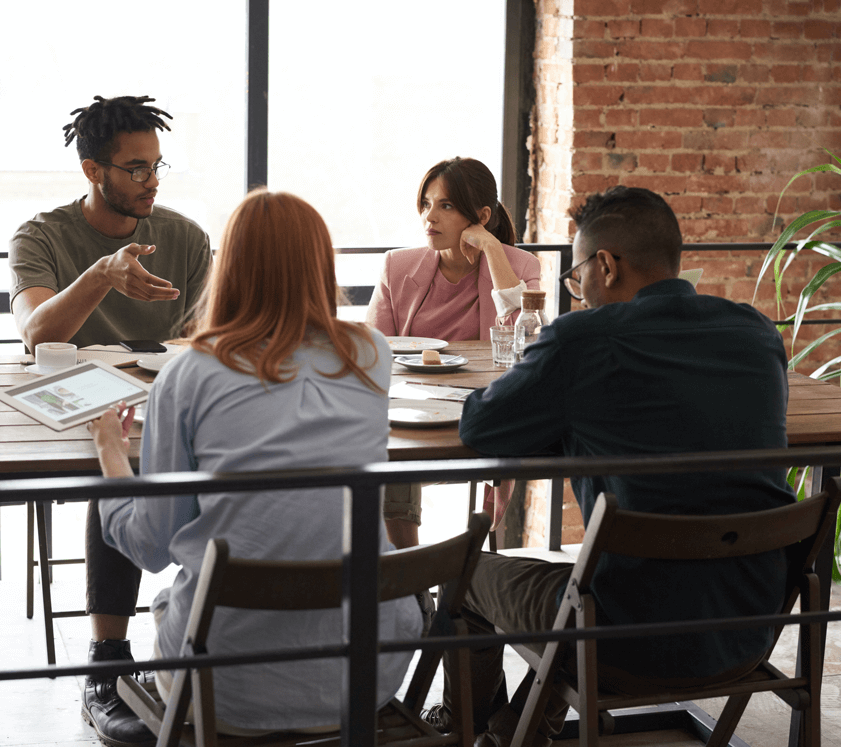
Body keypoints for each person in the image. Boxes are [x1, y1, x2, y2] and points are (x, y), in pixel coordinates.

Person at [423, 186, 798, 747]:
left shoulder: (585, 339)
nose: (578, 291)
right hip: (749, 627)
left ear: (605, 264)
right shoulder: (756, 334)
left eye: (576, 277)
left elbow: (480, 428)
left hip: (625, 635)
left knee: (464, 573)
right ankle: (515, 733)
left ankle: (477, 730)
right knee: (585, 585)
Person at [88, 189, 421, 739]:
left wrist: (109, 453)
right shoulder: (370, 354)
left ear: (230, 266)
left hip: (224, 679)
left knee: (170, 594)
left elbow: (149, 547)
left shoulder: (191, 371)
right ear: (322, 262)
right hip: (365, 667)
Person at [8, 95, 212, 746]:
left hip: (170, 403)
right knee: (113, 456)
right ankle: (108, 659)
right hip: (82, 410)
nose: (153, 179)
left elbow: (210, 337)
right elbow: (39, 334)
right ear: (94, 172)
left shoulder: (184, 237)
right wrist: (101, 275)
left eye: (157, 165)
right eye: (135, 168)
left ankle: (209, 625)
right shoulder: (41, 236)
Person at [366, 157, 541, 549]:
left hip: (479, 415)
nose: (430, 216)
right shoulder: (398, 266)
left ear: (480, 216)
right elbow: (372, 353)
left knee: (397, 461)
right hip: (411, 417)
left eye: (445, 206)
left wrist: (494, 251)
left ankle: (419, 582)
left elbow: (523, 345)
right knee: (394, 458)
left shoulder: (520, 266)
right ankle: (412, 582)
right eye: (426, 204)